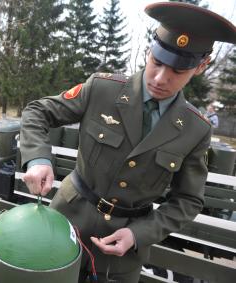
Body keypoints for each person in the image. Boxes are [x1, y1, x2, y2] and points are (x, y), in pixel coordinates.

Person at [19, 2, 236, 283]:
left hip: (122, 255)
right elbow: (37, 112)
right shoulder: (102, 89)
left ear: (201, 67)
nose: (160, 78)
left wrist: (138, 234)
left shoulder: (195, 129)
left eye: (177, 72)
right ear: (149, 52)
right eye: (157, 63)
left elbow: (188, 200)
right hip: (64, 224)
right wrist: (38, 159)